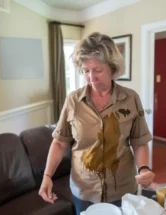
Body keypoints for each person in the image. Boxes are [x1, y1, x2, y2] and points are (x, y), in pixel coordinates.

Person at [38, 32, 155, 214]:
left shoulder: (131, 99)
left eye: (97, 70)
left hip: (122, 188)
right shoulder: (73, 101)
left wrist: (145, 169)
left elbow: (139, 142)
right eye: (86, 71)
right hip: (84, 191)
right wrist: (47, 176)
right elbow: (60, 142)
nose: (91, 77)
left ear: (112, 68)